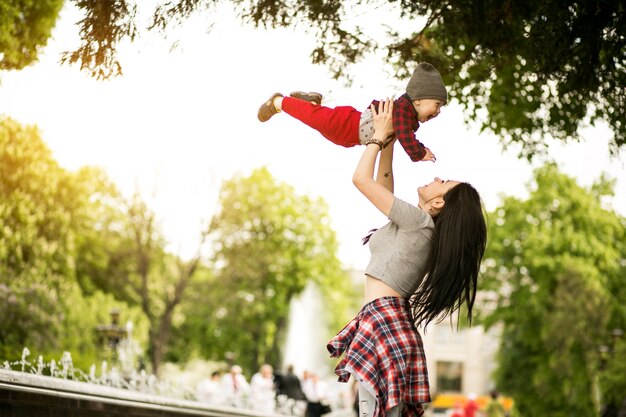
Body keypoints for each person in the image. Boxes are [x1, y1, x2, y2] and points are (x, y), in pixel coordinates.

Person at [326, 99, 487, 417]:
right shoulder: (419, 226)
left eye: (442, 182)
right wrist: (388, 141)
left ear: (439, 202)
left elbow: (361, 181)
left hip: (384, 322)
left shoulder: (419, 222)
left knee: (371, 412)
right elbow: (381, 186)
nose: (435, 178)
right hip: (386, 322)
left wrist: (375, 137)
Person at [257, 62, 447, 163]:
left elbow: (407, 133)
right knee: (314, 119)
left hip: (348, 134)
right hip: (347, 125)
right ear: (419, 99)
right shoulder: (403, 110)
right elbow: (405, 135)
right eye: (437, 104)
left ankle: (310, 102)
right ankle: (279, 102)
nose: (438, 111)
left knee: (317, 121)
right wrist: (419, 153)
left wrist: (420, 147)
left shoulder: (407, 117)